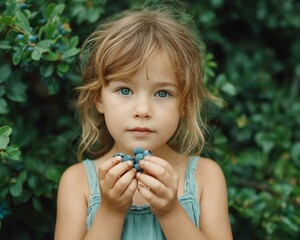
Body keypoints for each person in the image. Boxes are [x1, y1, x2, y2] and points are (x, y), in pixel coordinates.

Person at [54, 2, 232, 239]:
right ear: (99, 98)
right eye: (125, 90)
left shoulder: (205, 177)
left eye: (162, 93)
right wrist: (110, 211)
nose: (143, 110)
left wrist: (170, 212)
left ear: (185, 104)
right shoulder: (77, 183)